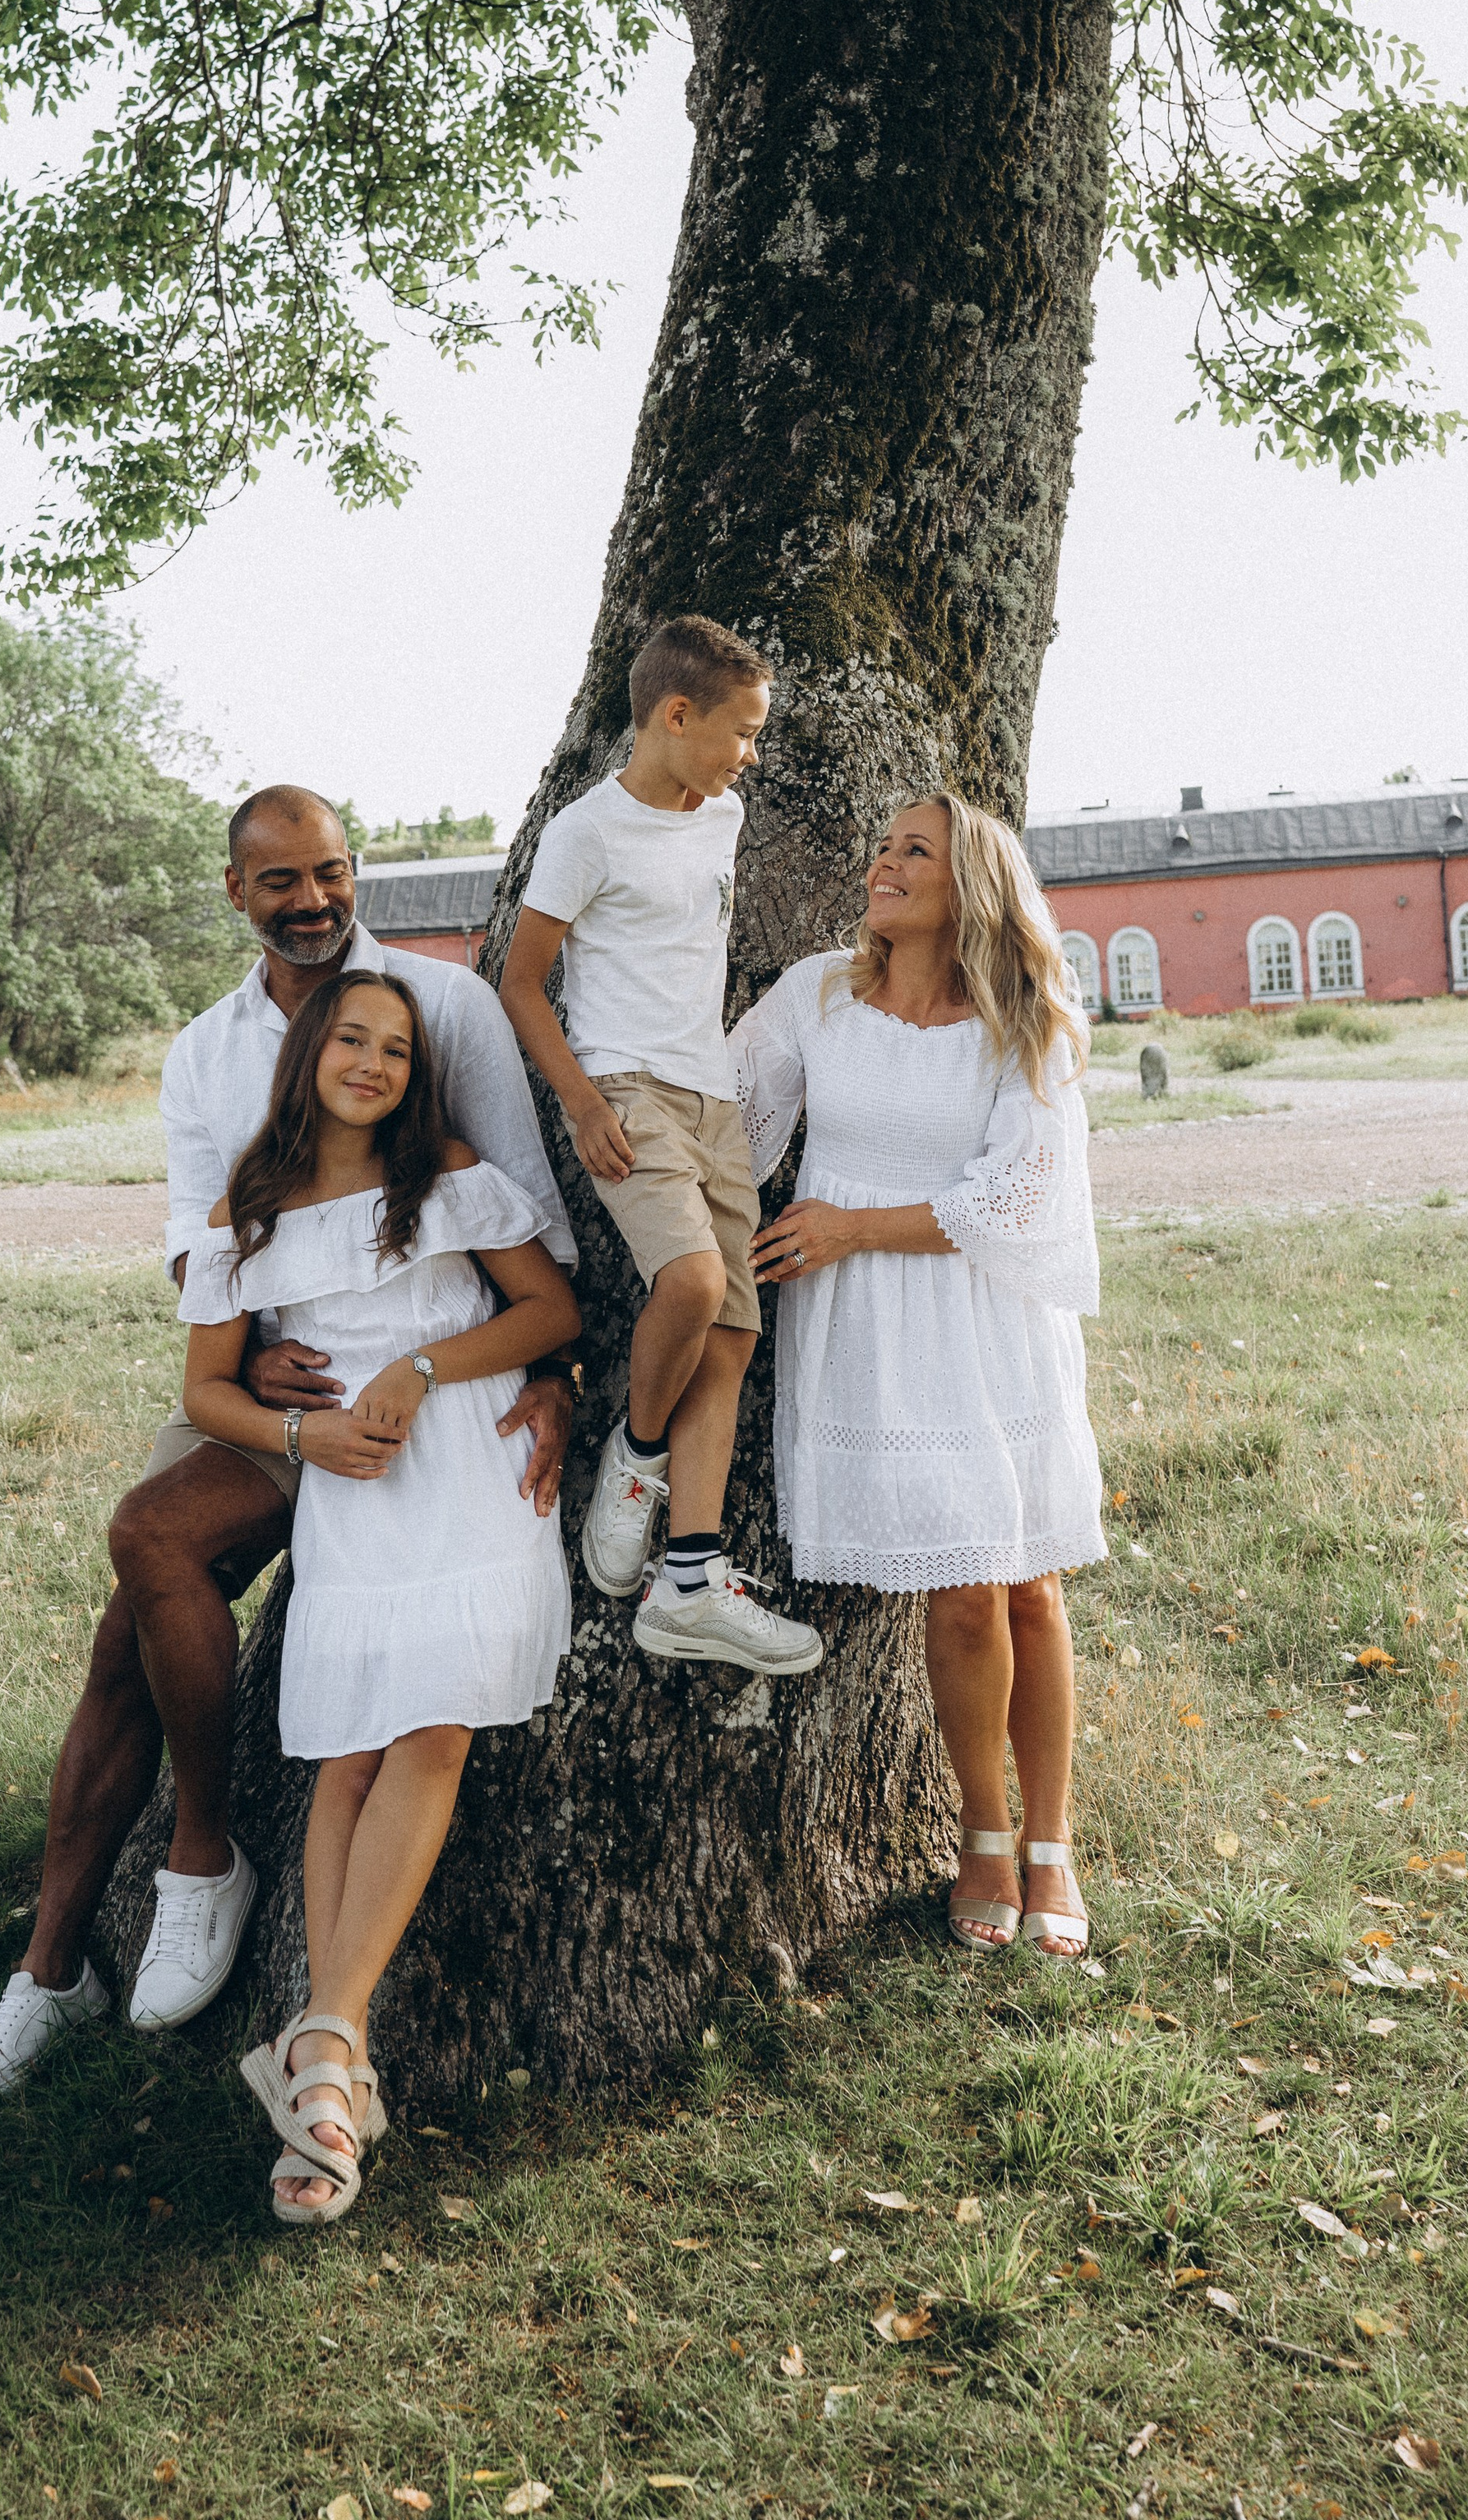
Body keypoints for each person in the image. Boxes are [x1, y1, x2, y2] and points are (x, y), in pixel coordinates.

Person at [0, 785, 576, 2099]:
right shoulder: (203, 1051)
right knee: (146, 1572)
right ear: (237, 891)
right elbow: (200, 1246)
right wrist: (274, 1377)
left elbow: (526, 1219)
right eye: (281, 881)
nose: (312, 900)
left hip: (434, 1383)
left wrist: (551, 1370)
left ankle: (184, 1878)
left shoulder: (440, 1006)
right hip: (272, 1368)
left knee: (162, 1577)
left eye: (332, 873)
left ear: (359, 873)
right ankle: (103, 1929)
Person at [179, 964, 580, 2222]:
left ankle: (327, 2046)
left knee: (434, 1727)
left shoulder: (447, 1173)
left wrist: (416, 1364)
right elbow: (209, 1392)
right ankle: (328, 2054)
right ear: (308, 1056)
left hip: (469, 1462)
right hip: (352, 1484)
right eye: (350, 1038)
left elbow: (548, 1309)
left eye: (396, 1049)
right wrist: (300, 1447)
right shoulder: (248, 1207)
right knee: (347, 1751)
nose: (373, 1062)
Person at [729, 793, 1104, 1955]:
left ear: (970, 886)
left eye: (915, 852)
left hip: (987, 1315)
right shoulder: (817, 998)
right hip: (870, 1337)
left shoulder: (1026, 1023)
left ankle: (1054, 1843)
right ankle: (982, 1836)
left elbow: (1020, 1194)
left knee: (1029, 1585)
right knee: (958, 1589)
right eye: (884, 847)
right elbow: (720, 1119)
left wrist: (848, 1226)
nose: (884, 865)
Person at [501, 616, 821, 1677]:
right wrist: (586, 1104)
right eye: (744, 730)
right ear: (676, 716)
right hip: (629, 1085)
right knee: (687, 1282)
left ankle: (688, 1578)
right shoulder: (586, 832)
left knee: (729, 1336)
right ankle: (634, 1459)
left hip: (712, 1093)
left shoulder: (719, 814)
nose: (752, 754)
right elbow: (520, 980)